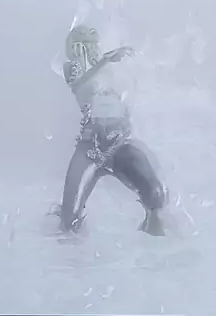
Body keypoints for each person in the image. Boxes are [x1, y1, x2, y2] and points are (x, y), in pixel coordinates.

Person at [57, 24, 167, 236]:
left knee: (155, 197)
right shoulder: (74, 68)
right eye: (82, 45)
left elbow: (130, 95)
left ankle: (158, 244)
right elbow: (77, 84)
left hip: (119, 143)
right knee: (69, 219)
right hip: (90, 147)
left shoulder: (110, 71)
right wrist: (105, 60)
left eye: (91, 44)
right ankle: (70, 251)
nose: (87, 49)